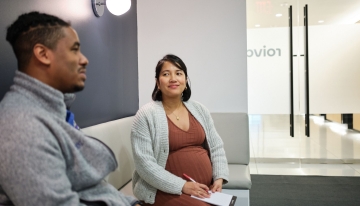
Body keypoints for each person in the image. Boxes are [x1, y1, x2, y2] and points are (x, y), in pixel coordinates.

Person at [0, 11, 140, 206]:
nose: (84, 60)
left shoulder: (54, 111)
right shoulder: (21, 126)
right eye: (75, 50)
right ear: (43, 54)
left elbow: (91, 188)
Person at [131, 54, 229, 205]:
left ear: (186, 80)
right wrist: (182, 185)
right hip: (162, 190)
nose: (173, 79)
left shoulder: (199, 109)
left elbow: (216, 147)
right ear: (157, 82)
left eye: (178, 73)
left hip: (203, 189)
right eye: (166, 74)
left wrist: (219, 178)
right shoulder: (146, 115)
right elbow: (145, 165)